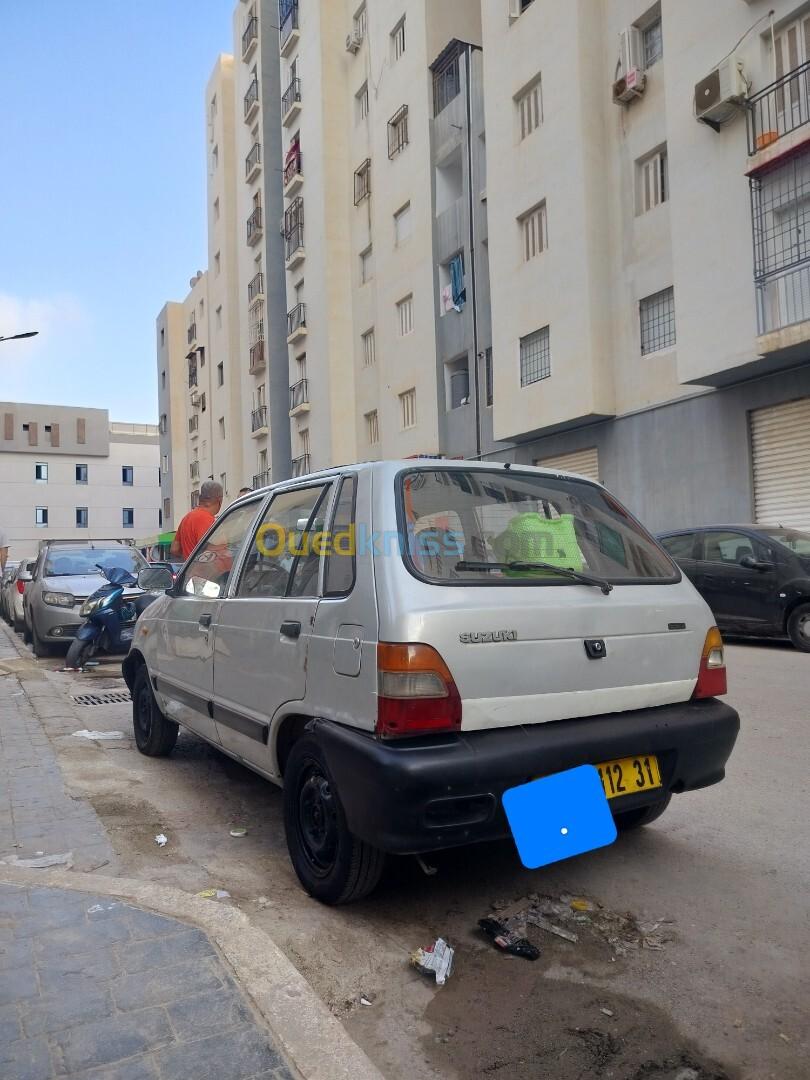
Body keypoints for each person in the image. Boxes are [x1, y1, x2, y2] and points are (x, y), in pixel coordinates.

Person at [170, 480, 223, 561]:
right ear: (219, 500)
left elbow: (174, 549)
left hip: (191, 571)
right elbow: (211, 553)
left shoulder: (186, 518)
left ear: (201, 498)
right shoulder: (207, 520)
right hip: (206, 572)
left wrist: (189, 557)